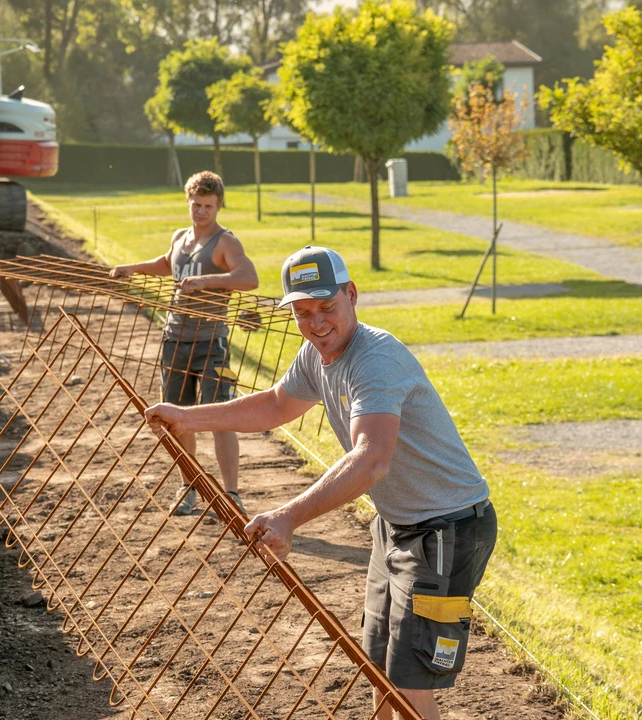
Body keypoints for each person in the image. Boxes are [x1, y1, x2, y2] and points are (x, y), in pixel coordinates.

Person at [144, 245, 497, 720]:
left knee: (410, 681)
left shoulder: (375, 361)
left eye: (327, 307)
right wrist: (188, 417)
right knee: (377, 661)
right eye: (303, 312)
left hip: (447, 530)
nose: (316, 323)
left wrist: (288, 517)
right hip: (397, 524)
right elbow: (274, 406)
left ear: (352, 294)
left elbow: (372, 460)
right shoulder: (316, 355)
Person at [110, 171, 258, 515]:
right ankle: (189, 485)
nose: (201, 211)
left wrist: (205, 282)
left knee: (222, 416)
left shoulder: (225, 243)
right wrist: (133, 268)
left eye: (208, 205)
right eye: (196, 204)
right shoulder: (180, 237)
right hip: (174, 340)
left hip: (211, 342)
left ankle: (231, 494)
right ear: (188, 202)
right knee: (177, 418)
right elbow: (167, 264)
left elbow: (249, 278)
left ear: (218, 205)